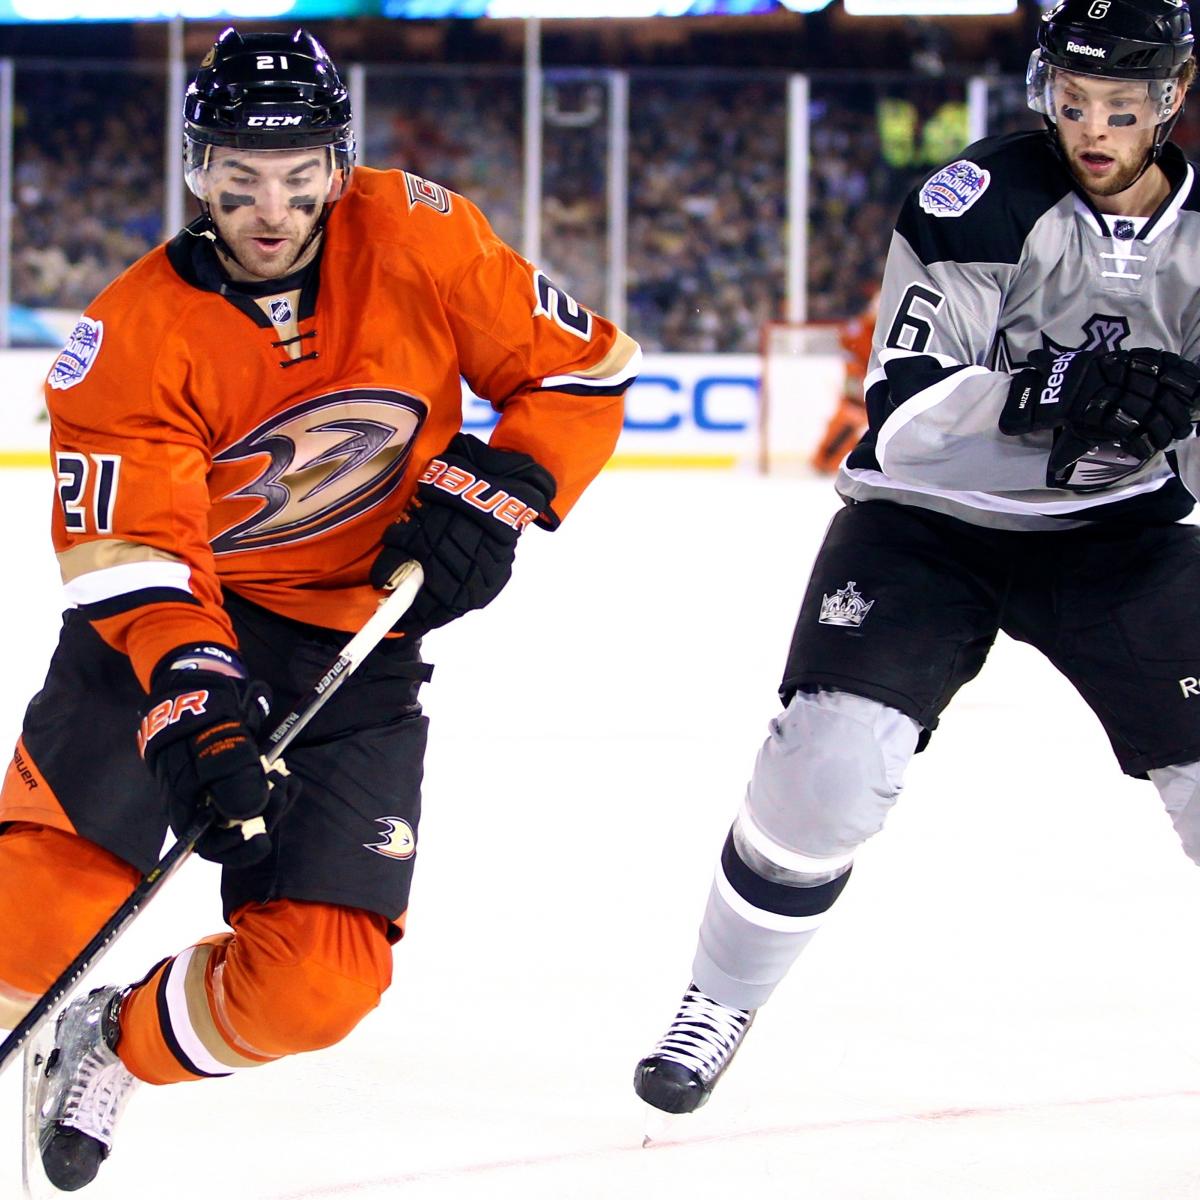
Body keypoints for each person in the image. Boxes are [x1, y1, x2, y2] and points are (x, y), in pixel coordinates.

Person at [0, 26, 639, 1192]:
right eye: (239, 178)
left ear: (339, 167)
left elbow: (578, 371)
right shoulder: (126, 338)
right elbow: (137, 553)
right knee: (27, 930)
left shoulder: (418, 233)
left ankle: (115, 1040)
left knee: (316, 985)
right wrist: (196, 695)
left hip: (356, 642)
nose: (270, 208)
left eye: (299, 178)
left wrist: (505, 485)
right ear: (197, 169)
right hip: (171, 633)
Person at [635, 0, 1200, 1118]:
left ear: (1171, 100)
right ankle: (719, 996)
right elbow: (899, 413)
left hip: (1118, 536)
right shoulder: (978, 199)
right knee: (827, 775)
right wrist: (1054, 392)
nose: (1092, 131)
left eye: (1122, 110)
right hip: (929, 525)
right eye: (1075, 103)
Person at [810, 289, 878, 475]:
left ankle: (830, 460)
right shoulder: (860, 328)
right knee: (849, 418)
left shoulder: (883, 329)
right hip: (859, 380)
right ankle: (823, 460)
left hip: (872, 381)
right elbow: (847, 344)